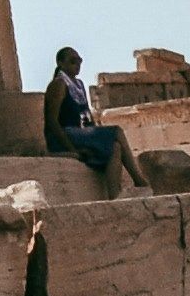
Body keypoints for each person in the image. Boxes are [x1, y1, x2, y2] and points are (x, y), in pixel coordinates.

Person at [45, 48, 133, 192]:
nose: (77, 64)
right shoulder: (59, 84)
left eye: (79, 61)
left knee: (115, 147)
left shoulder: (79, 85)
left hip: (81, 135)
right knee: (116, 131)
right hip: (65, 136)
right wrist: (71, 149)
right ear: (60, 63)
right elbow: (52, 122)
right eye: (73, 61)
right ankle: (139, 180)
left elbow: (87, 117)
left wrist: (97, 136)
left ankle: (114, 196)